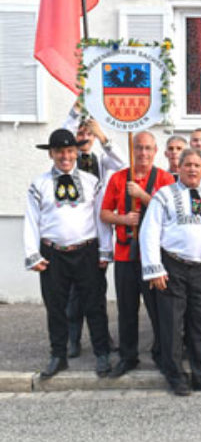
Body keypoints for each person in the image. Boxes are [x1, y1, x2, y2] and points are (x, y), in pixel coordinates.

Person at [23, 129, 113, 379]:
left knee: (95, 305)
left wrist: (105, 249)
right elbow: (32, 220)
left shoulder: (91, 182)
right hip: (53, 254)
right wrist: (32, 254)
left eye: (70, 151)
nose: (65, 156)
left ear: (76, 152)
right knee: (56, 307)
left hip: (86, 251)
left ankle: (102, 353)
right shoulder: (38, 184)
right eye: (60, 152)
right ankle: (58, 355)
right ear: (51, 154)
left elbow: (100, 219)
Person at [140, 148, 201, 396]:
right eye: (187, 164)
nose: (192, 169)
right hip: (172, 268)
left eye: (197, 165)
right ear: (178, 167)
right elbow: (150, 232)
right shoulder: (164, 196)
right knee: (172, 324)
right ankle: (175, 375)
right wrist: (155, 269)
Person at [100, 131, 174, 378]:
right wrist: (122, 218)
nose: (143, 153)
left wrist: (143, 197)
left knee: (158, 310)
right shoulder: (119, 178)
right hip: (124, 255)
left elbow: (171, 214)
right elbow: (104, 213)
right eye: (139, 148)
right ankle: (128, 356)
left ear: (155, 151)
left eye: (147, 148)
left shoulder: (164, 179)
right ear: (133, 150)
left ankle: (162, 354)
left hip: (152, 258)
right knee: (126, 309)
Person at [63, 114, 125, 358]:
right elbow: (62, 133)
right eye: (81, 133)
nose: (85, 138)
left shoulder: (102, 161)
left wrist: (102, 135)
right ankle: (73, 339)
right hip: (73, 235)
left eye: (88, 134)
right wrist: (76, 112)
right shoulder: (66, 163)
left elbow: (122, 162)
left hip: (97, 237)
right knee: (73, 293)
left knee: (96, 291)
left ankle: (102, 337)